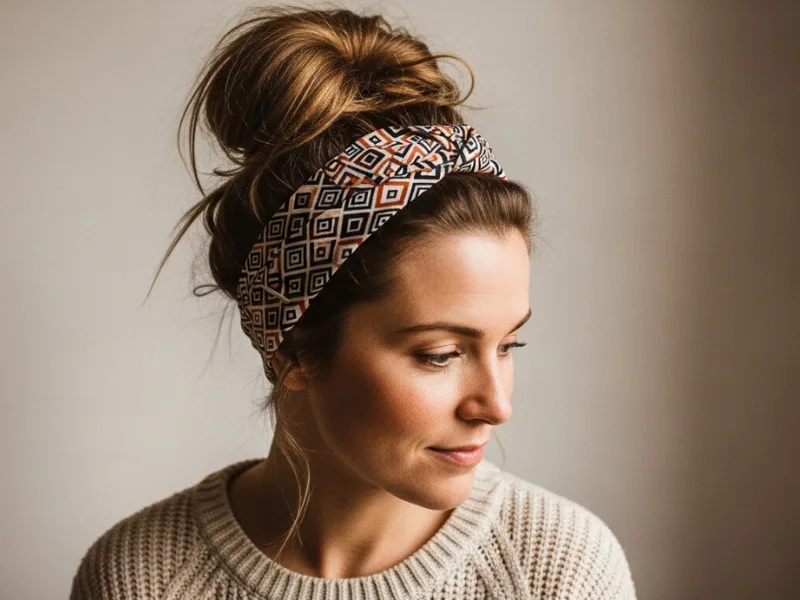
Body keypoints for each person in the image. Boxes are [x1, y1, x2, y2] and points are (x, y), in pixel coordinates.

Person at [69, 6, 636, 599]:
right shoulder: (138, 577)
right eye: (441, 354)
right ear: (292, 348)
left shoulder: (561, 569)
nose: (496, 407)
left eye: (508, 344)